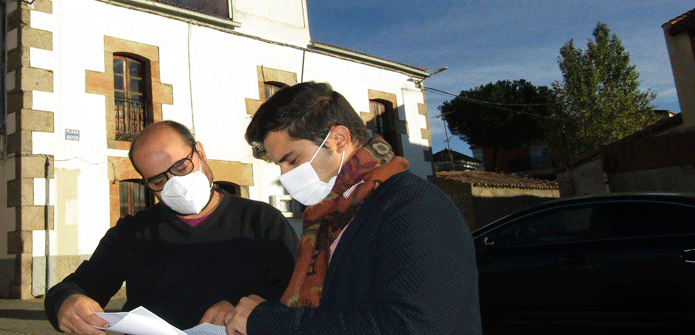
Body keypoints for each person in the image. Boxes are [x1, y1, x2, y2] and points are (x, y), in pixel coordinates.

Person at [224, 82, 481, 335]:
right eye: (278, 165)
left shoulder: (415, 207)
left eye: (292, 160)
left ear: (338, 139)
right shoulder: (328, 217)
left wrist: (269, 322)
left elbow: (412, 326)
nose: (284, 175)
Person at [45, 120, 299, 334]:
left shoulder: (262, 221)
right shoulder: (131, 233)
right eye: (158, 180)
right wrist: (67, 303)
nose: (175, 183)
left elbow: (299, 299)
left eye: (181, 167)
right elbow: (77, 286)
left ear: (200, 152)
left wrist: (249, 312)